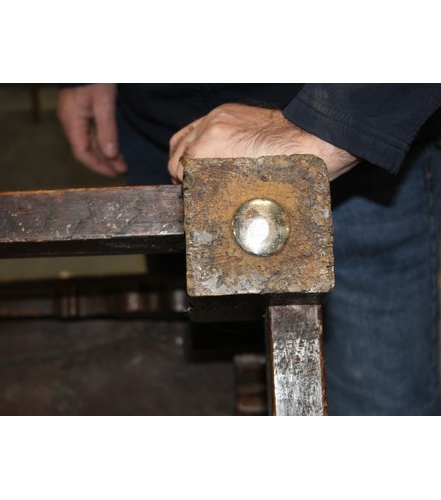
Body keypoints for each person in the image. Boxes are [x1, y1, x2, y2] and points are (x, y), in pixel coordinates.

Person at [57, 83, 441, 415]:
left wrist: (335, 124)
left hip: (341, 155)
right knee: (198, 376)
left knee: (374, 404)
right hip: (164, 129)